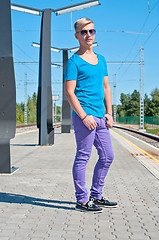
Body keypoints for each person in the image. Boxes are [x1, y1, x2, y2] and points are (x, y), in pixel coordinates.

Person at [64, 18, 117, 213]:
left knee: (107, 156)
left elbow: (106, 87)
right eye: (84, 32)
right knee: (83, 157)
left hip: (100, 116)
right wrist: (84, 116)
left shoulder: (101, 59)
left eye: (92, 31)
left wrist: (109, 113)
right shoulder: (74, 62)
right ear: (77, 36)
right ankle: (82, 200)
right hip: (84, 116)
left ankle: (96, 195)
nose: (89, 35)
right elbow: (70, 92)